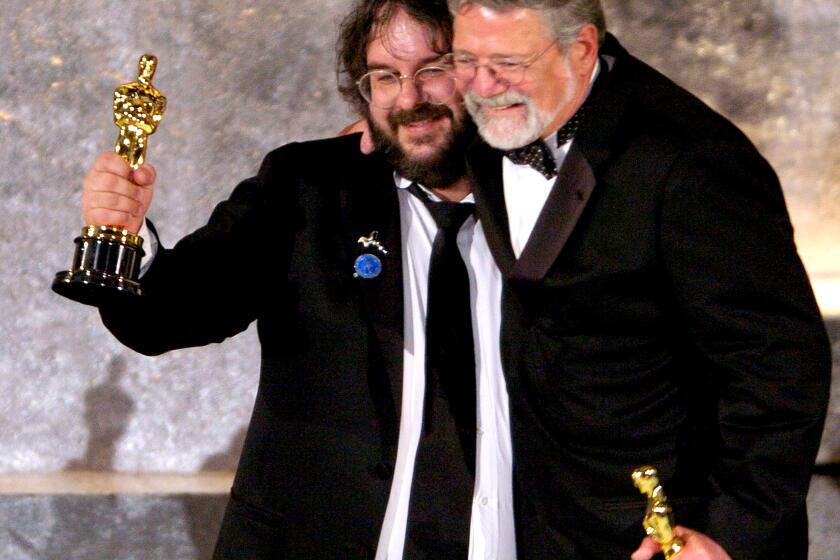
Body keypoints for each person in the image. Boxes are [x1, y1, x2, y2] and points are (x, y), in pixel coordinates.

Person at [77, 0, 511, 557]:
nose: (409, 98)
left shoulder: (550, 205)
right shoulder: (308, 188)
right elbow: (170, 312)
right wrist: (125, 240)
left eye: (434, 68)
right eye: (385, 76)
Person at [443, 1, 832, 559]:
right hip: (542, 526)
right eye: (465, 59)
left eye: (507, 62)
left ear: (581, 48)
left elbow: (780, 366)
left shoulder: (694, 161)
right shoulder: (491, 123)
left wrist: (728, 530)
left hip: (671, 535)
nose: (482, 85)